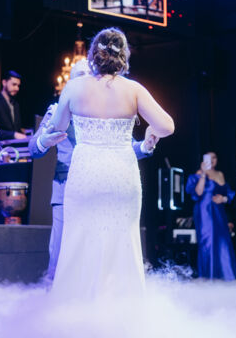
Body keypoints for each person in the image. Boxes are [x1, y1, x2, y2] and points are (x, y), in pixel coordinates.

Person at [48, 27, 174, 299]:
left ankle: (74, 306)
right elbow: (167, 126)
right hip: (121, 175)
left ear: (94, 54)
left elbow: (57, 128)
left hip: (86, 173)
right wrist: (150, 133)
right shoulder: (133, 89)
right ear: (123, 55)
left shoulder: (75, 87)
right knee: (123, 240)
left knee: (79, 240)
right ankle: (121, 308)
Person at [29, 58, 159, 279]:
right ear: (70, 83)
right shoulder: (56, 110)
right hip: (66, 189)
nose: (86, 81)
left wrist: (145, 147)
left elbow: (125, 148)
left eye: (89, 76)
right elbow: (34, 148)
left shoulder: (107, 112)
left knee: (99, 257)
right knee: (61, 257)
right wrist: (44, 141)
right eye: (80, 77)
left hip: (101, 191)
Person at [186, 151, 236, 280]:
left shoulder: (220, 174)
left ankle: (226, 274)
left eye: (214, 157)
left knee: (223, 241)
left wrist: (223, 199)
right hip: (204, 212)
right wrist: (203, 174)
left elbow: (228, 194)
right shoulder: (199, 173)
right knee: (208, 241)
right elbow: (198, 193)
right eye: (208, 158)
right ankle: (208, 275)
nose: (212, 160)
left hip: (219, 211)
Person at [0, 70, 27, 142]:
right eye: (14, 84)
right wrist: (13, 135)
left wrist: (21, 131)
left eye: (18, 85)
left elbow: (15, 129)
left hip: (15, 145)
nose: (17, 88)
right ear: (4, 83)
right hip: (0, 145)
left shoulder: (16, 104)